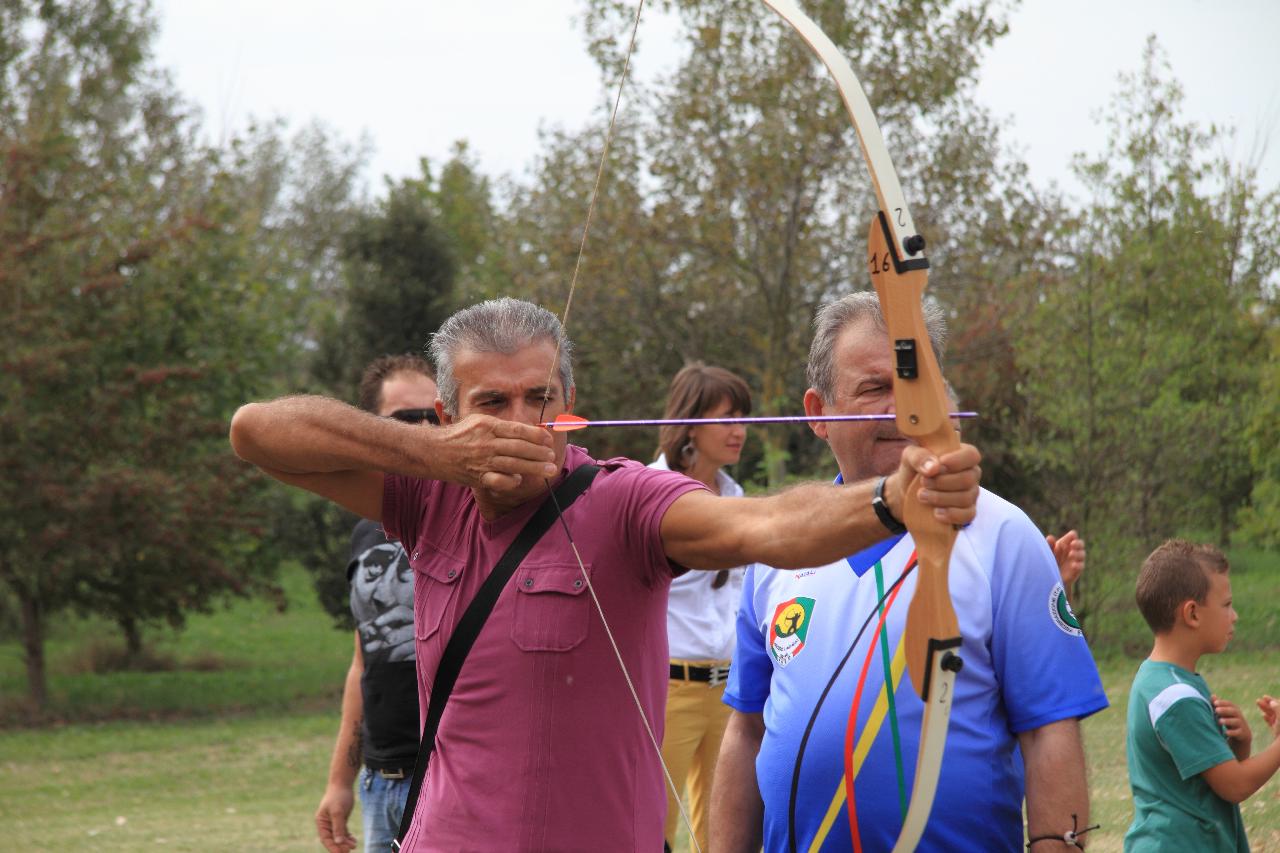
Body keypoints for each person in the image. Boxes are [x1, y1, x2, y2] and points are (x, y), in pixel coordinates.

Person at [229, 296, 981, 852]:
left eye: (540, 398)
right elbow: (256, 431)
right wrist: (436, 456)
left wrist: (891, 499)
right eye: (492, 402)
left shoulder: (625, 501)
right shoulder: (428, 498)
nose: (522, 422)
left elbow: (766, 526)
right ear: (450, 411)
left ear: (571, 404)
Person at [711, 292, 1109, 852]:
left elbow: (1050, 730)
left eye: (918, 383)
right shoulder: (780, 545)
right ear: (818, 413)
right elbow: (747, 729)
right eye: (875, 387)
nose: (903, 407)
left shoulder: (1002, 534)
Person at [315, 355, 439, 853]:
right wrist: (340, 782)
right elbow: (364, 658)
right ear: (369, 432)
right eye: (408, 419)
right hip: (380, 784)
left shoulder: (479, 517)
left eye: (437, 413)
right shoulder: (366, 529)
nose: (427, 428)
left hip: (447, 780)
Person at [650, 363, 754, 853]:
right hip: (665, 690)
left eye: (744, 418)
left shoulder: (737, 497)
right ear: (691, 424)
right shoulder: (646, 492)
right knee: (650, 830)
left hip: (731, 692)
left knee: (726, 834)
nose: (740, 430)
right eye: (727, 417)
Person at [1124, 539, 1280, 852]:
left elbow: (1208, 781)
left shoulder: (1162, 678)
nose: (1234, 616)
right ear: (1192, 614)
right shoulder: (1175, 697)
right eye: (1226, 605)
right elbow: (1234, 785)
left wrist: (1239, 745)